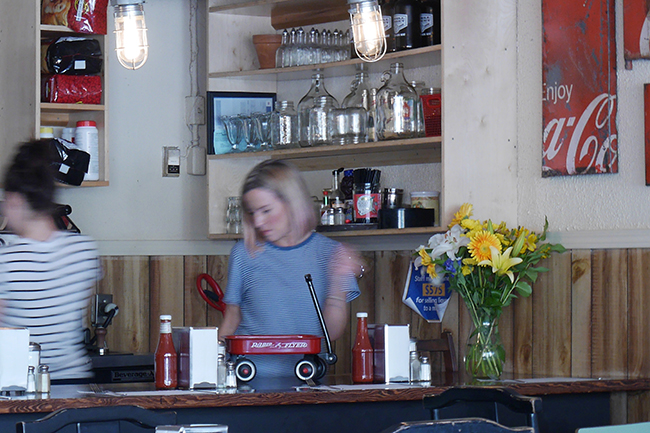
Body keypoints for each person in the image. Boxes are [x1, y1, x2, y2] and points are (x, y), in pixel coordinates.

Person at [219, 159, 362, 378]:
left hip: (308, 384)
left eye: (266, 210)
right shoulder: (243, 253)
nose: (257, 222)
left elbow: (330, 333)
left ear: (292, 203)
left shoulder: (332, 253)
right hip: (245, 384)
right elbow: (231, 321)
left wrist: (337, 280)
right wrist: (211, 370)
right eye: (252, 212)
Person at [0, 140, 101, 380]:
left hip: (23, 387)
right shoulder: (84, 251)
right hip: (72, 384)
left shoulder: (7, 260)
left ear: (16, 200)